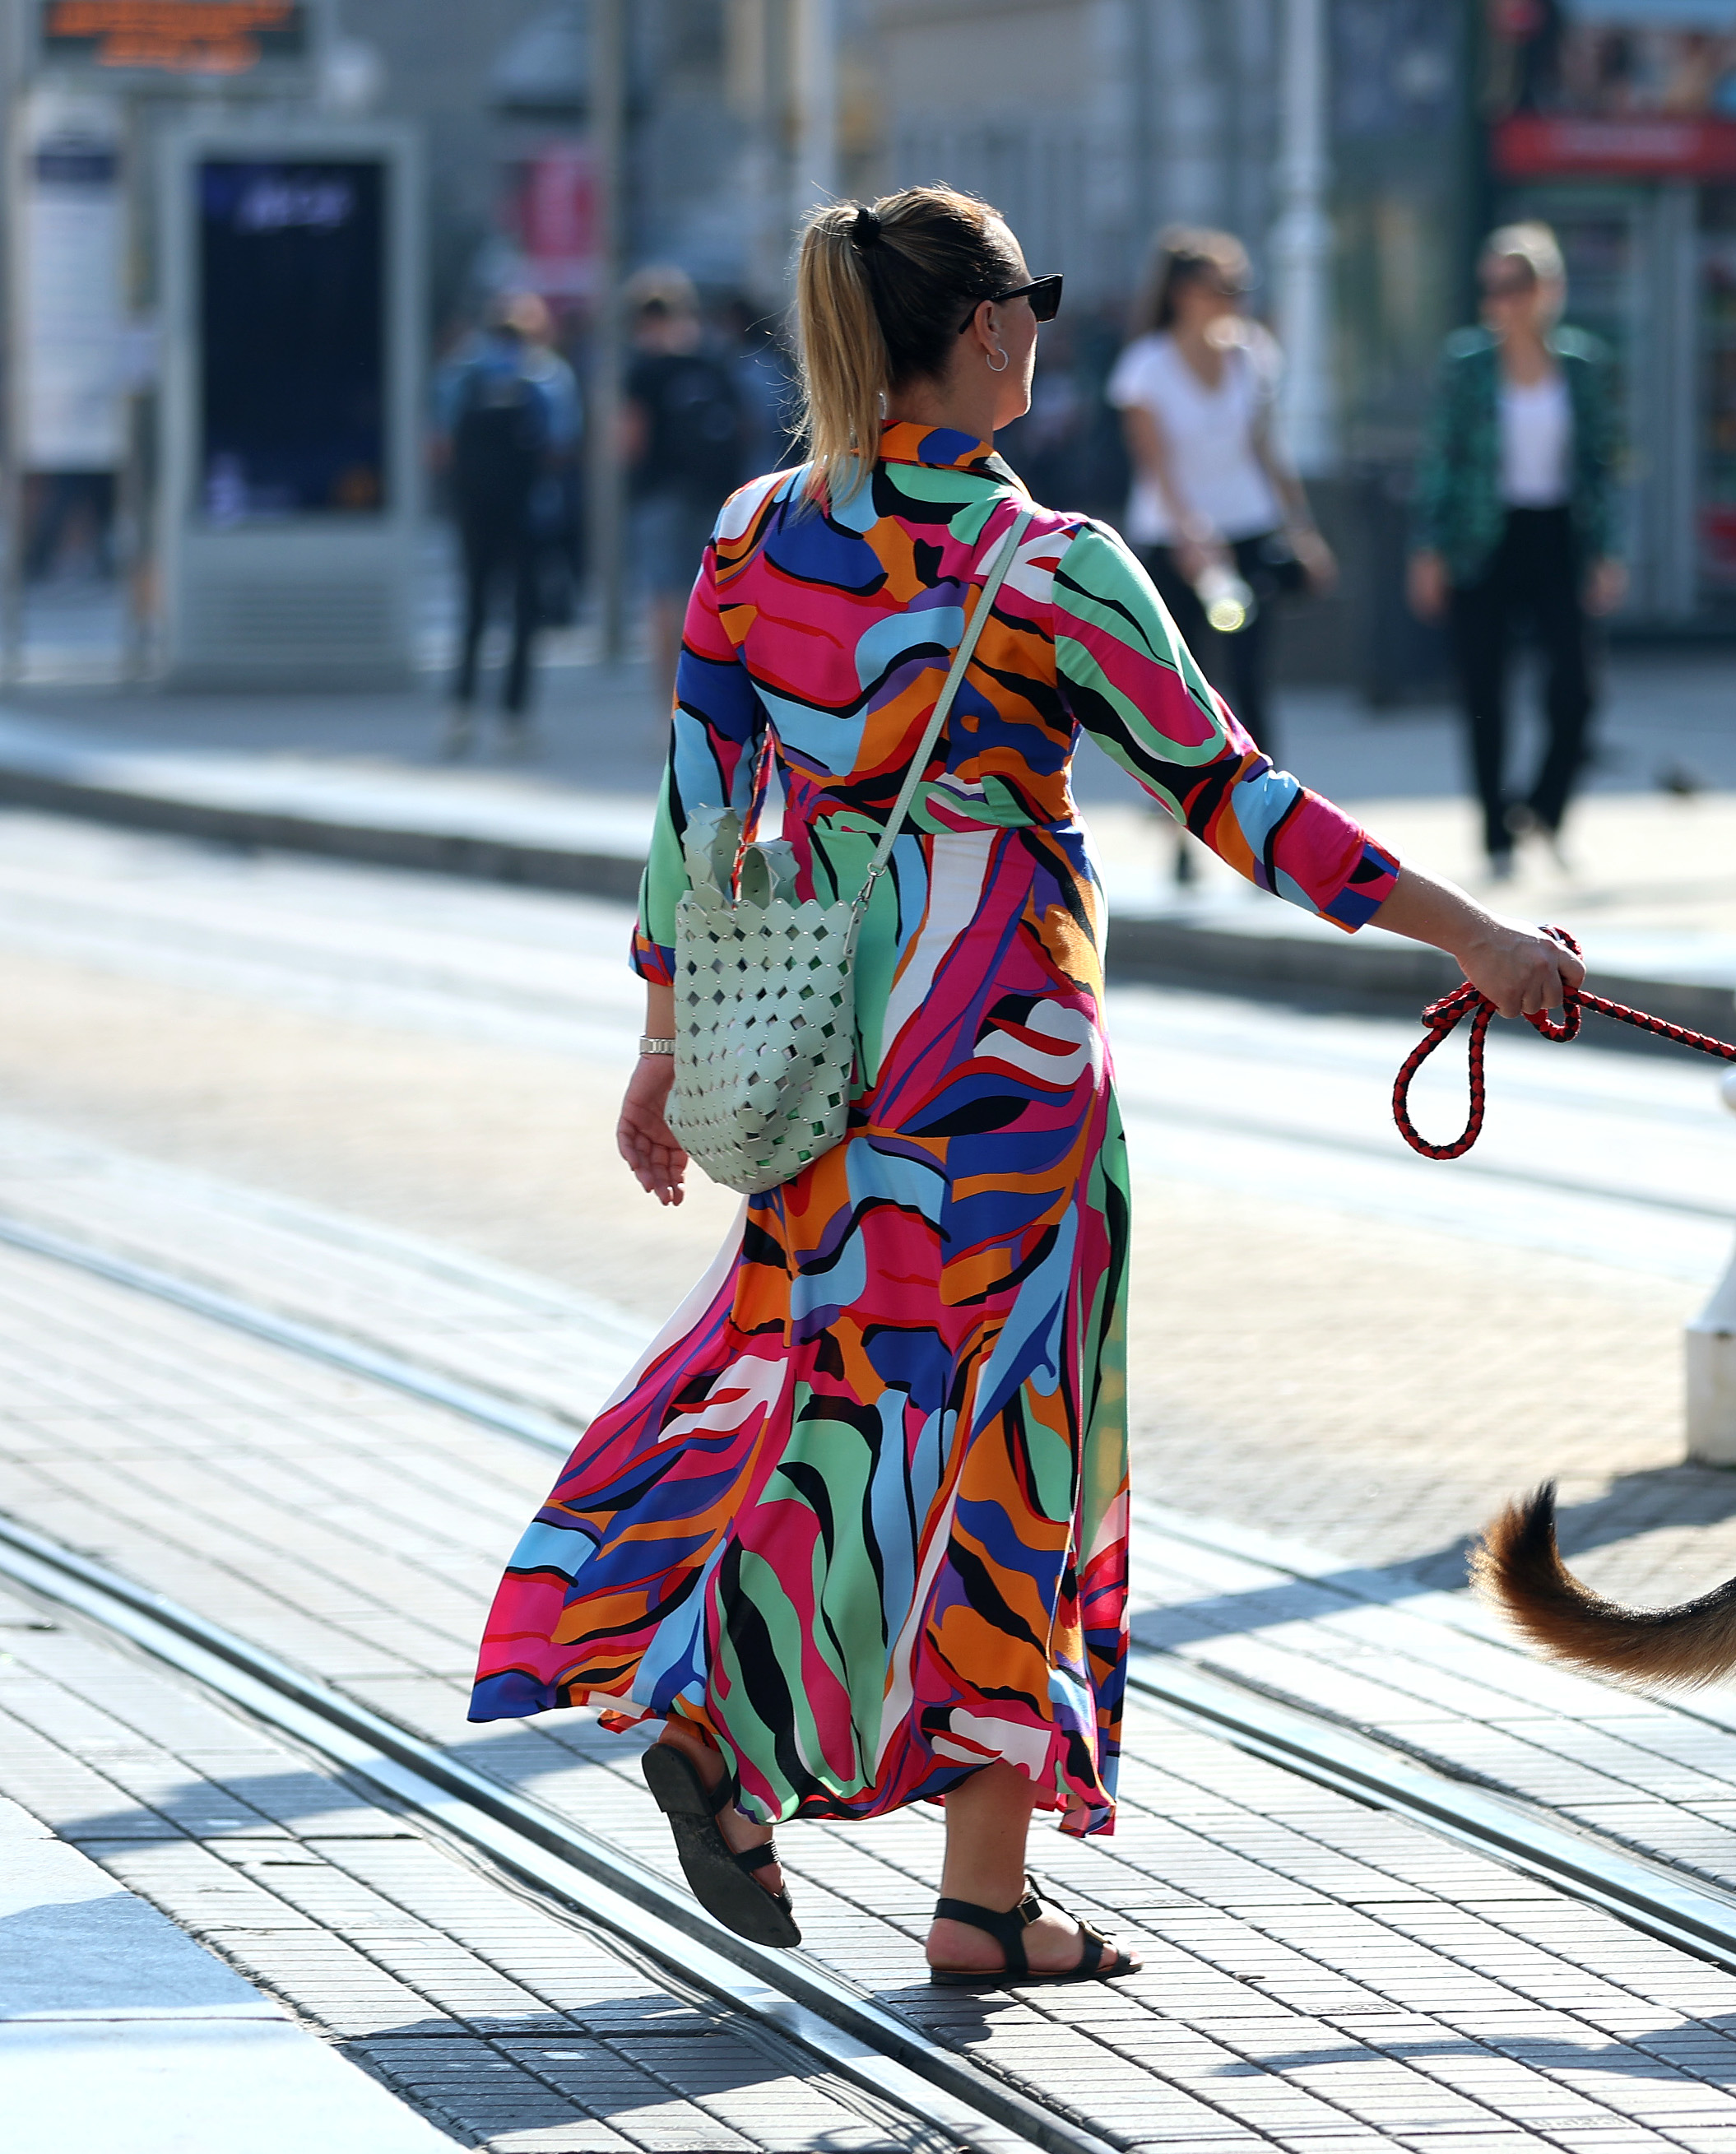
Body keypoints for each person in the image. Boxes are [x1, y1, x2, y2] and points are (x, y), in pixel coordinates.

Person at [467, 184, 1581, 1987]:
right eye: (1030, 302)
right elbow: (1238, 803)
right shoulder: (1049, 564)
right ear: (982, 331)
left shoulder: (756, 536)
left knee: (853, 1393)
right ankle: (735, 1736)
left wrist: (665, 1043)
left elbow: (693, 806)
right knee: (1014, 1449)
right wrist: (1478, 942)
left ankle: (981, 1899)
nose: (1041, 329)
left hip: (825, 1067)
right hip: (1008, 1072)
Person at [1409, 222, 1624, 881]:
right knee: (1485, 691)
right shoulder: (1467, 364)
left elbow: (1599, 462)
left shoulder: (1583, 365)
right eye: (1494, 285)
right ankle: (1494, 833)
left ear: (1549, 287)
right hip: (1482, 538)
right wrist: (1429, 549)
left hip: (1557, 534)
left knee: (1577, 690)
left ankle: (1542, 808)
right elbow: (1442, 458)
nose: (1505, 297)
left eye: (1518, 283)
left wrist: (1607, 550)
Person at [1109, 229, 1335, 773]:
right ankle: (1179, 808)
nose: (1236, 300)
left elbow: (1265, 448)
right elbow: (1154, 464)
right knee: (1180, 680)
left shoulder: (1253, 354)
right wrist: (1190, 535)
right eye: (1224, 288)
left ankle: (1264, 798)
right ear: (1184, 293)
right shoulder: (1147, 366)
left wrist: (1302, 528)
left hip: (1249, 528)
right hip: (1175, 539)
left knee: (1250, 672)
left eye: (1241, 288)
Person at [433, 292, 580, 758]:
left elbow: (439, 443)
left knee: (474, 605)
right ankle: (514, 717)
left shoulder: (463, 371)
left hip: (477, 510)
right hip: (529, 509)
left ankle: (461, 710)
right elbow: (562, 442)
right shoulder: (548, 375)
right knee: (524, 611)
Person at [622, 270, 750, 678]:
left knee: (664, 595)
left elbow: (630, 439)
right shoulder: (712, 361)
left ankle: (668, 703)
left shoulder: (644, 370)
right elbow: (744, 426)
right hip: (716, 494)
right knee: (715, 596)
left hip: (661, 492)